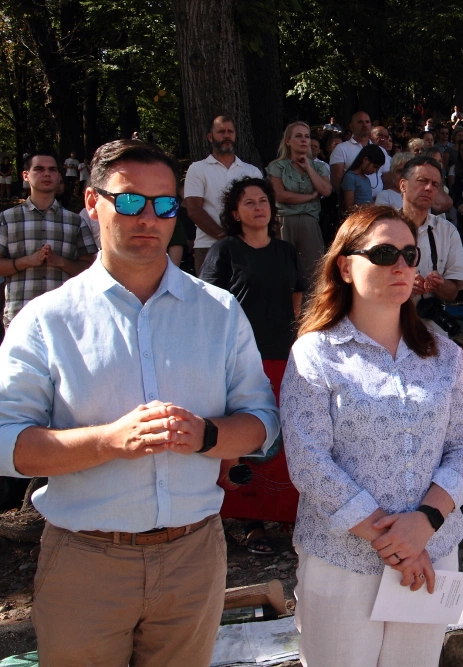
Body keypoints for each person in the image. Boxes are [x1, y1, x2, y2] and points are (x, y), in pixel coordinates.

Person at [0, 139, 279, 665]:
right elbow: (7, 443)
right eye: (129, 201)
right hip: (86, 562)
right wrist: (109, 441)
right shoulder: (45, 320)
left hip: (194, 557)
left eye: (165, 204)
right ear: (92, 203)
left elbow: (262, 422)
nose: (148, 218)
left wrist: (208, 435)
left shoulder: (218, 312)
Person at [281, 205, 463, 667]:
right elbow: (309, 461)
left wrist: (424, 523)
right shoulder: (315, 354)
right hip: (342, 560)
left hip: (432, 551)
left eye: (410, 255)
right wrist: (395, 542)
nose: (401, 266)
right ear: (345, 267)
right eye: (385, 253)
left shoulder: (445, 354)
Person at [201, 177, 305, 555]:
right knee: (244, 440)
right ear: (234, 212)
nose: (258, 207)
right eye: (249, 202)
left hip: (283, 357)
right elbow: (207, 304)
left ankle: (287, 515)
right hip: (239, 361)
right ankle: (250, 521)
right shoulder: (225, 250)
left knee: (280, 441)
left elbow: (297, 299)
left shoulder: (286, 251)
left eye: (263, 201)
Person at [0, 151, 97, 328]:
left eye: (52, 170)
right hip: (20, 317)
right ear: (25, 175)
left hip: (64, 318)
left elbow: (90, 269)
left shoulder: (75, 221)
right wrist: (27, 261)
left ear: (59, 176)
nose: (46, 174)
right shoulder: (6, 219)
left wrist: (60, 262)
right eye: (39, 169)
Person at [184, 115, 263, 275]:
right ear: (210, 137)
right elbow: (194, 210)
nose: (227, 136)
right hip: (208, 247)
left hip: (249, 246)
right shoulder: (197, 169)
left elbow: (261, 206)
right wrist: (225, 237)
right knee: (210, 292)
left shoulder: (252, 171)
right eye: (221, 132)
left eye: (230, 131)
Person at [399, 156, 463, 332]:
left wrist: (439, 284)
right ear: (403, 185)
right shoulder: (382, 227)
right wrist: (401, 284)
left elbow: (452, 293)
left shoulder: (447, 231)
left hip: (432, 329)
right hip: (389, 326)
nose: (429, 188)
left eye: (435, 184)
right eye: (422, 181)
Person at [267, 121, 333, 286]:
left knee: (313, 271)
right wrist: (311, 196)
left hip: (309, 220)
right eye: (298, 136)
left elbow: (326, 190)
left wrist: (308, 168)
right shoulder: (277, 166)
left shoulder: (318, 167)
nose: (304, 140)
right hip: (284, 221)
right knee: (284, 269)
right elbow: (280, 195)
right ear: (288, 141)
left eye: (307, 136)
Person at [329, 111, 390, 197]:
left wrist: (383, 199)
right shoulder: (341, 149)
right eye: (360, 122)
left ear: (371, 125)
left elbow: (387, 179)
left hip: (378, 201)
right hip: (354, 202)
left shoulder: (381, 150)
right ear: (351, 126)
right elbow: (336, 180)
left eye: (367, 122)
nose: (364, 125)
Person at [341, 144, 387, 211]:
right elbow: (349, 207)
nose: (374, 171)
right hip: (358, 216)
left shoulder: (366, 179)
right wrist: (369, 206)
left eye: (377, 169)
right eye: (374, 167)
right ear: (365, 160)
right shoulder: (350, 177)